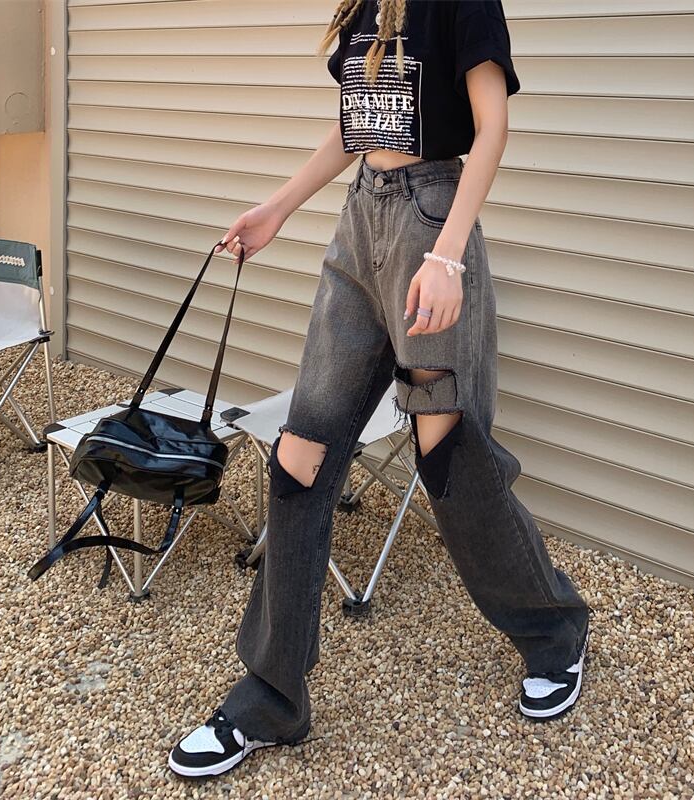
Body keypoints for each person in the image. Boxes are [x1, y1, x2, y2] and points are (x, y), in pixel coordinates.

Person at [168, 0, 591, 779]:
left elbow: (492, 127)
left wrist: (449, 255)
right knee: (298, 460)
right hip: (359, 224)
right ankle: (272, 697)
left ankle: (554, 628)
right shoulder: (367, 6)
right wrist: (276, 208)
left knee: (449, 457)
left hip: (431, 226)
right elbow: (353, 130)